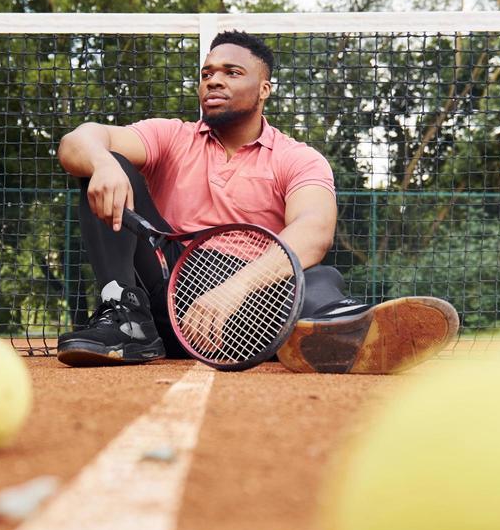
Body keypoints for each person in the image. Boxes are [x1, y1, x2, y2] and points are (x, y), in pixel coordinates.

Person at [55, 30, 459, 373]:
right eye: (207, 74)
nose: (213, 81)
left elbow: (314, 232)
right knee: (106, 167)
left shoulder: (297, 157)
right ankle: (128, 320)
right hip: (166, 282)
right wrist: (103, 161)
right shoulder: (171, 136)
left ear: (264, 88)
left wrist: (235, 289)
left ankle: (341, 327)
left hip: (250, 301)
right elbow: (77, 141)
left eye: (232, 73)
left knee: (314, 279)